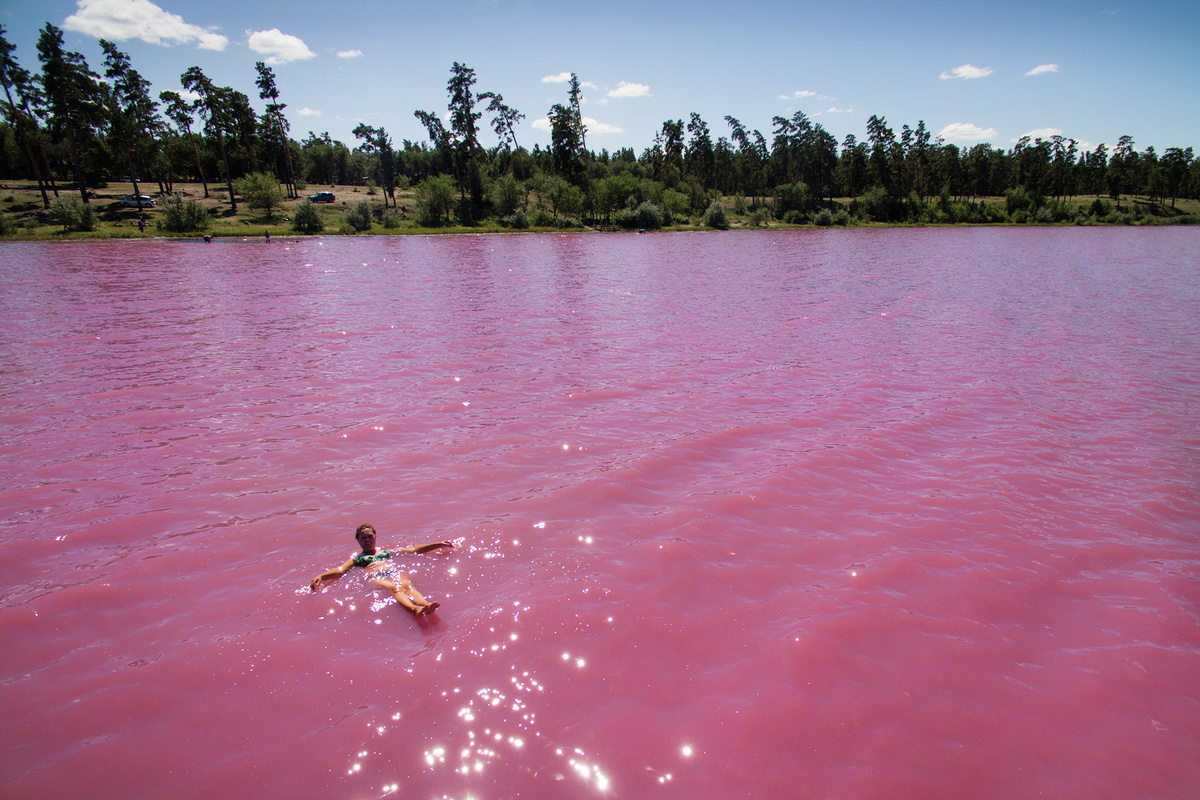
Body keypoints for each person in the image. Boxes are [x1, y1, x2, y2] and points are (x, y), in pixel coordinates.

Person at [310, 523, 453, 616]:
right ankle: (414, 609)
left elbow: (413, 550)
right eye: (363, 538)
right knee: (393, 587)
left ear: (375, 536)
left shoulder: (385, 552)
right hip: (374, 577)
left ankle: (425, 605)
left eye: (370, 536)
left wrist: (437, 544)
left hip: (392, 572)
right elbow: (340, 570)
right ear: (358, 541)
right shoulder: (357, 560)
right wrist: (322, 576)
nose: (367, 540)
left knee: (407, 585)